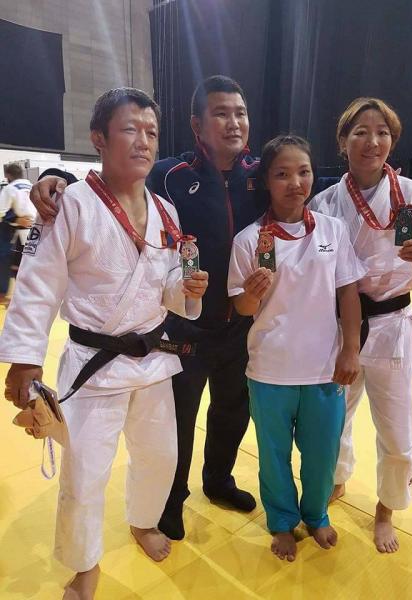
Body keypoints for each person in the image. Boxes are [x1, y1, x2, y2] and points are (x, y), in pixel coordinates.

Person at [29, 75, 268, 541]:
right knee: (175, 425)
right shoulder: (171, 175)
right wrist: (55, 179)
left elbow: (305, 178)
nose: (233, 122)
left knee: (231, 411)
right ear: (197, 125)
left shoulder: (261, 175)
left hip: (239, 321)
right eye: (221, 113)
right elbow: (116, 187)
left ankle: (219, 481)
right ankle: (169, 504)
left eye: (240, 113)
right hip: (182, 329)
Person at [0, 87, 208, 599]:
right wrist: (24, 360)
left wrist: (187, 291)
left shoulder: (166, 211)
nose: (143, 141)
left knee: (160, 455)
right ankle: (84, 565)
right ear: (98, 138)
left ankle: (143, 521)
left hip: (152, 360)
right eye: (129, 129)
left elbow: (165, 288)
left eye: (152, 132)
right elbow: (38, 283)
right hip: (93, 362)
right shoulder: (70, 204)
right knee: (85, 473)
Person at [310, 97, 412, 553]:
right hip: (340, 329)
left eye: (383, 132)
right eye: (361, 132)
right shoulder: (324, 202)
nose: (373, 141)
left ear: (393, 140)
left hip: (392, 324)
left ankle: (387, 508)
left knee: (396, 426)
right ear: (342, 141)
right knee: (334, 419)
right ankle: (336, 479)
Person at [228, 135, 364, 561]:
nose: (295, 182)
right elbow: (242, 307)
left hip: (324, 368)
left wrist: (351, 349)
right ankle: (282, 520)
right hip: (270, 370)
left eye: (303, 172)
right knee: (274, 457)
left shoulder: (333, 230)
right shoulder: (249, 239)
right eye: (282, 174)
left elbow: (348, 292)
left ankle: (317, 514)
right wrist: (252, 293)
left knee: (322, 455)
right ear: (266, 181)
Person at [0, 162, 35, 304]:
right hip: (34, 230)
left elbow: (1, 212)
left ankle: (4, 294)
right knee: (26, 264)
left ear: (8, 176)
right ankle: (26, 296)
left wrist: (15, 219)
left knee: (7, 260)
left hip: (15, 230)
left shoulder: (10, 188)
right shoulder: (32, 186)